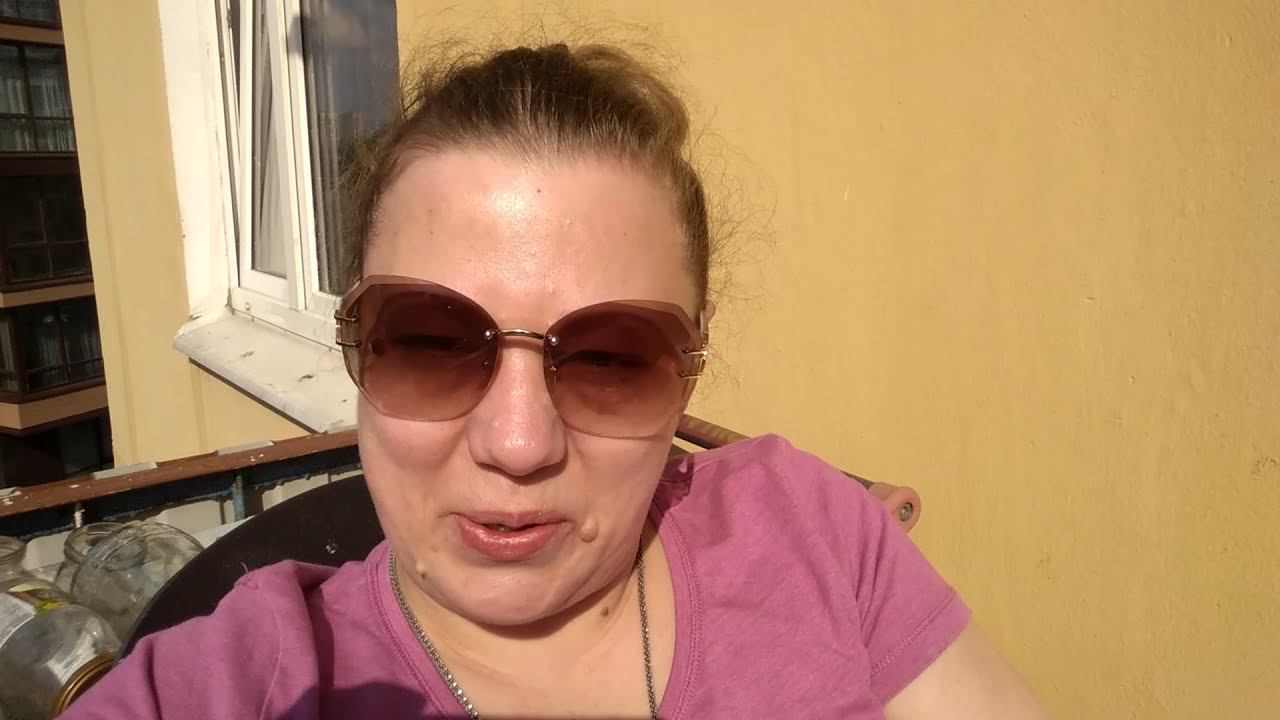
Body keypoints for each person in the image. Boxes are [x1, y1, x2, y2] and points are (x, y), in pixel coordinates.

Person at [64, 43, 1049, 719]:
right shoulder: (243, 684)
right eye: (430, 342)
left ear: (689, 364)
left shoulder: (814, 535)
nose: (518, 443)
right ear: (354, 340)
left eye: (613, 357)